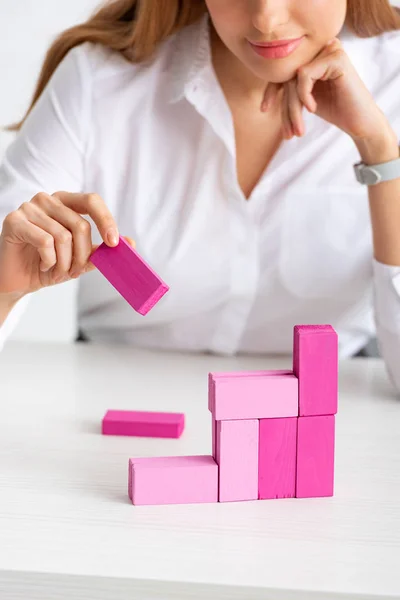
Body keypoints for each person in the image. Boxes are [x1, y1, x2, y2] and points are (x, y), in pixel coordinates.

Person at [1, 0, 400, 390]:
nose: (266, 18)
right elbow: (11, 252)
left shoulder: (392, 74)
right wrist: (4, 286)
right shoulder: (97, 78)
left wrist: (381, 150)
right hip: (114, 396)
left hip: (330, 405)